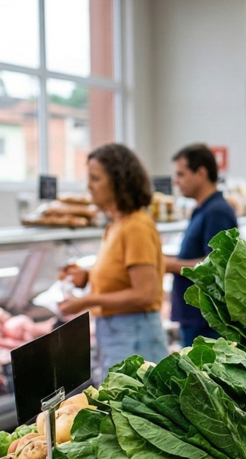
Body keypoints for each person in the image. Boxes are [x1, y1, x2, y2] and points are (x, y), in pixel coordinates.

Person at [58, 143, 167, 375]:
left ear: (118, 181)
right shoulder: (116, 225)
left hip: (135, 335)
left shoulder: (136, 226)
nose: (88, 186)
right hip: (117, 333)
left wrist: (86, 301)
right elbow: (122, 276)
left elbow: (144, 293)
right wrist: (86, 277)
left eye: (95, 178)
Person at [166, 143, 238, 347]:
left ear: (201, 172)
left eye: (181, 174)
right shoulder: (202, 209)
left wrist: (168, 265)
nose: (176, 181)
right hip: (195, 318)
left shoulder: (217, 212)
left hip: (207, 321)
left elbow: (215, 265)